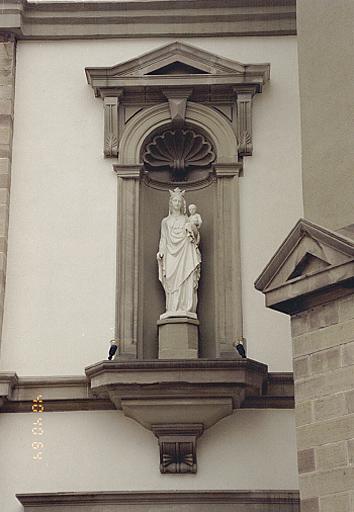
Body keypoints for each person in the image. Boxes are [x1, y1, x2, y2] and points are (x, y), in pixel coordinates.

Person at [157, 188, 201, 319]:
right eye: (174, 200)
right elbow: (163, 239)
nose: (177, 203)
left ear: (183, 203)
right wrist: (161, 252)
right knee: (171, 280)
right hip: (170, 255)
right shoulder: (165, 221)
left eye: (179, 201)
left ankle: (185, 307)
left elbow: (196, 237)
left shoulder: (187, 220)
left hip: (186, 252)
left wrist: (192, 230)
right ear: (171, 203)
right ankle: (172, 308)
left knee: (186, 278)